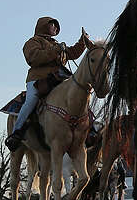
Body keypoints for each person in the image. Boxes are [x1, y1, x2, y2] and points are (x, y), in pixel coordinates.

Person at [6, 16, 91, 150]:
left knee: (78, 95)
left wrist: (82, 41)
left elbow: (73, 53)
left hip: (57, 79)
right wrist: (56, 50)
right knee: (31, 100)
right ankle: (17, 132)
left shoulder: (57, 44)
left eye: (56, 26)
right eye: (53, 25)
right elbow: (34, 58)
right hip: (38, 79)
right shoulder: (33, 42)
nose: (55, 28)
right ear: (44, 26)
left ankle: (89, 128)